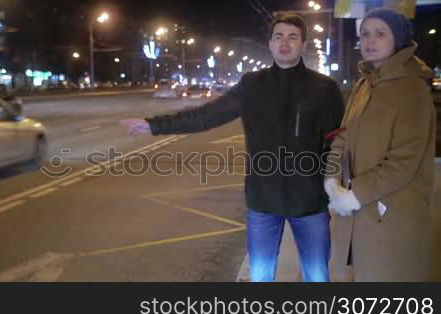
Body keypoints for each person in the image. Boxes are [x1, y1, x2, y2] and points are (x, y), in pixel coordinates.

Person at [121, 14, 345, 282]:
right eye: (279, 37)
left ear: (303, 45)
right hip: (263, 201)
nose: (285, 43)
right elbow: (208, 115)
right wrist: (154, 126)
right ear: (270, 44)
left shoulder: (324, 89)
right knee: (260, 276)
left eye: (293, 37)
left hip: (311, 202)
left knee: (318, 275)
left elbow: (337, 143)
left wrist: (335, 185)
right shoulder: (252, 85)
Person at [324, 8, 437, 282]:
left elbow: (403, 162)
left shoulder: (412, 89)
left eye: (380, 33)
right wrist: (332, 182)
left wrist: (352, 196)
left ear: (397, 39)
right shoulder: (365, 84)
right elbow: (342, 138)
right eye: (364, 34)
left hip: (392, 216)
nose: (369, 40)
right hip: (356, 214)